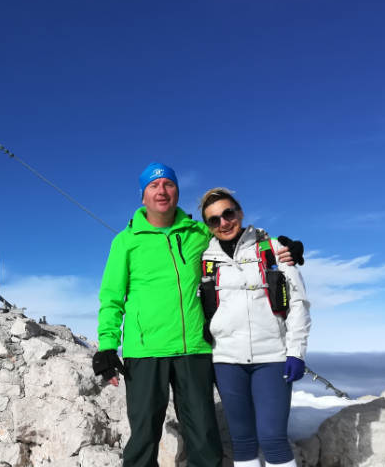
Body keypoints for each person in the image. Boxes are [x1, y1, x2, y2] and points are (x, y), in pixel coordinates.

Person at [92, 163, 304, 467]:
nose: (161, 191)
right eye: (153, 185)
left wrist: (283, 248)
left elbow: (234, 235)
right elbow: (111, 297)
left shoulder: (199, 233)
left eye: (168, 184)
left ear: (177, 191)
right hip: (145, 350)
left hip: (195, 348)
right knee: (143, 436)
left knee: (204, 438)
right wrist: (107, 345)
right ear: (143, 196)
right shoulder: (126, 241)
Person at [197, 187, 311, 467]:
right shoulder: (205, 259)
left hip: (271, 357)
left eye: (228, 213)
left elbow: (298, 303)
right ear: (208, 226)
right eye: (214, 220)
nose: (223, 223)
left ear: (240, 213)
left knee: (273, 439)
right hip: (226, 360)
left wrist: (296, 352)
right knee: (242, 441)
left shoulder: (273, 249)